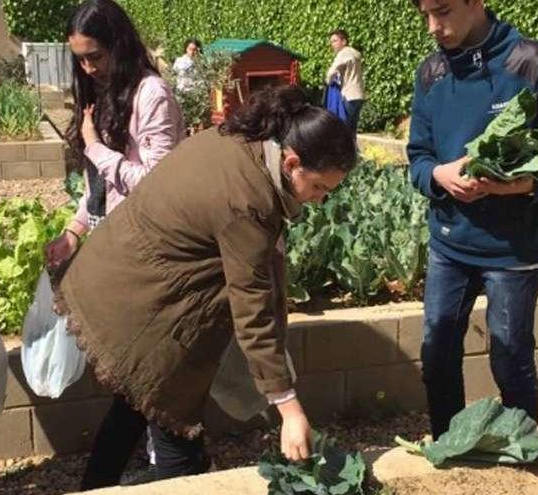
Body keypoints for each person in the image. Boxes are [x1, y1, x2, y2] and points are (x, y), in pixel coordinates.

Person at [54, 85, 357, 490]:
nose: (320, 200)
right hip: (145, 303)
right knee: (173, 420)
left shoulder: (243, 140)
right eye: (319, 187)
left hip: (121, 278)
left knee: (133, 402)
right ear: (291, 162)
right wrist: (289, 408)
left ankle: (95, 486)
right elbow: (253, 311)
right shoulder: (248, 201)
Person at [406, 0, 538, 439]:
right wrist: (439, 175)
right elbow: (418, 157)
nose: (434, 27)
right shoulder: (430, 74)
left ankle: (522, 448)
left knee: (509, 357)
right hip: (449, 245)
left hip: (513, 252)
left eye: (444, 11)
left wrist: (517, 185)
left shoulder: (529, 61)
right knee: (436, 355)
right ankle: (449, 448)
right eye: (425, 16)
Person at [45, 0, 185, 268]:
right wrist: (74, 231)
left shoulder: (151, 95)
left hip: (149, 249)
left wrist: (95, 147)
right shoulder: (102, 94)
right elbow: (102, 186)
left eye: (95, 56)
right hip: (113, 242)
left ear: (119, 46)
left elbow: (157, 184)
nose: (87, 68)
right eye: (80, 59)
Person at [325, 29, 365, 137]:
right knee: (353, 128)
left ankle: (345, 152)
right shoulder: (356, 54)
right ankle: (353, 151)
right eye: (331, 42)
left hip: (348, 95)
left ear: (344, 41)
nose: (332, 44)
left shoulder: (343, 53)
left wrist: (328, 80)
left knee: (343, 128)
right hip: (359, 95)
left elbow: (331, 72)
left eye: (335, 41)